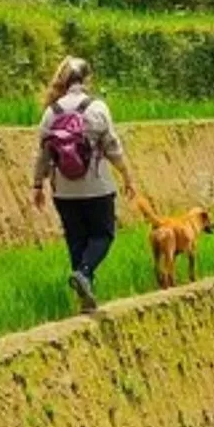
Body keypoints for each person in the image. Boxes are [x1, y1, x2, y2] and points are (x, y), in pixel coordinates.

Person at [32, 56, 136, 313]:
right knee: (103, 235)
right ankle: (85, 274)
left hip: (64, 191)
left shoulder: (51, 111)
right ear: (87, 79)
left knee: (76, 240)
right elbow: (112, 147)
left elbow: (43, 154)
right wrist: (127, 175)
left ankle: (85, 299)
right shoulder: (97, 108)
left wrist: (37, 185)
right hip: (97, 187)